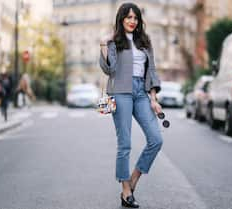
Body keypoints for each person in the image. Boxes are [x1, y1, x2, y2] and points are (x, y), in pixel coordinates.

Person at [99, 3, 163, 208]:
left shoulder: (145, 41)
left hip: (141, 92)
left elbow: (151, 70)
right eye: (128, 17)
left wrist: (153, 99)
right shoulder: (114, 41)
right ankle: (126, 190)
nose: (132, 21)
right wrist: (103, 46)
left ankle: (133, 178)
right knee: (124, 143)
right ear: (121, 19)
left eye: (135, 18)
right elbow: (109, 69)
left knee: (156, 139)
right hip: (120, 92)